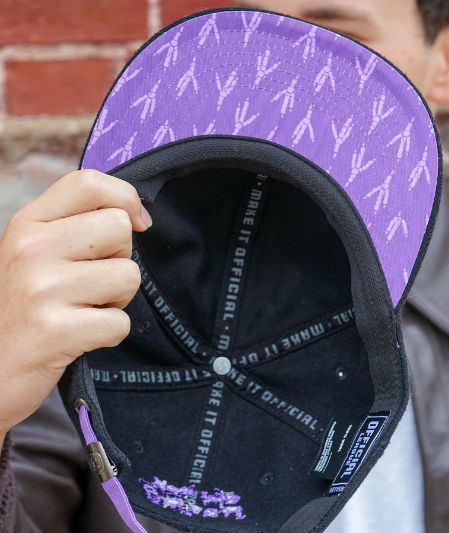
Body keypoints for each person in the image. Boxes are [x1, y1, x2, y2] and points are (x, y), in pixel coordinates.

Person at [0, 0, 449, 532]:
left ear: (443, 62)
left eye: (337, 32)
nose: (286, 59)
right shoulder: (85, 285)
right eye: (255, 25)